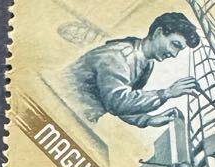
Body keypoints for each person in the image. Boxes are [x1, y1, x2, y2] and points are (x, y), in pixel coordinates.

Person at [67, 11, 201, 128]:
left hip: (80, 117)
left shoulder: (146, 63)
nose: (174, 54)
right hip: (64, 105)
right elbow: (116, 102)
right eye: (175, 44)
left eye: (179, 50)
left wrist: (148, 120)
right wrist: (166, 93)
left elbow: (124, 101)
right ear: (158, 33)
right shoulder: (119, 56)